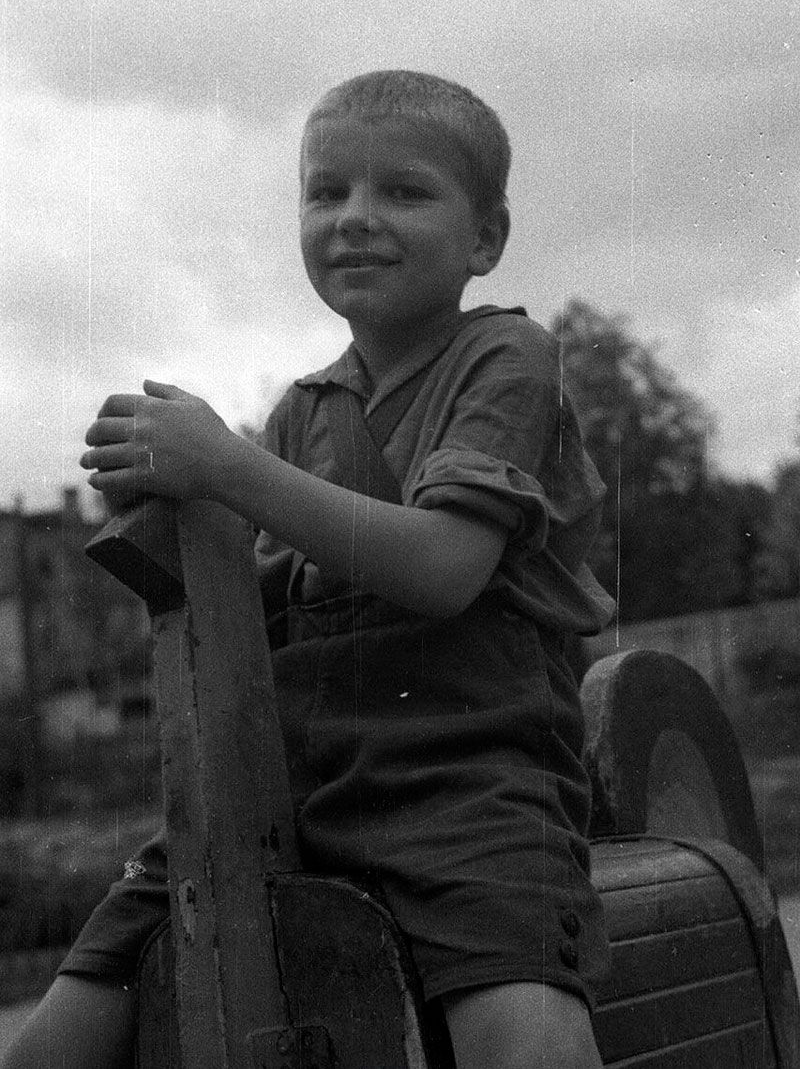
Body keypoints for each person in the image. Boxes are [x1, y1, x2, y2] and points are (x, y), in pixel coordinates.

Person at [3, 71, 614, 1069]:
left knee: (521, 1019)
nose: (354, 219)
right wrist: (179, 512)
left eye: (403, 192)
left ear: (485, 238)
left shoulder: (506, 360)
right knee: (74, 1017)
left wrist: (229, 467)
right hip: (285, 782)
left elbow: (445, 568)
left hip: (459, 783)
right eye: (325, 193)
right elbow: (258, 612)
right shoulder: (306, 410)